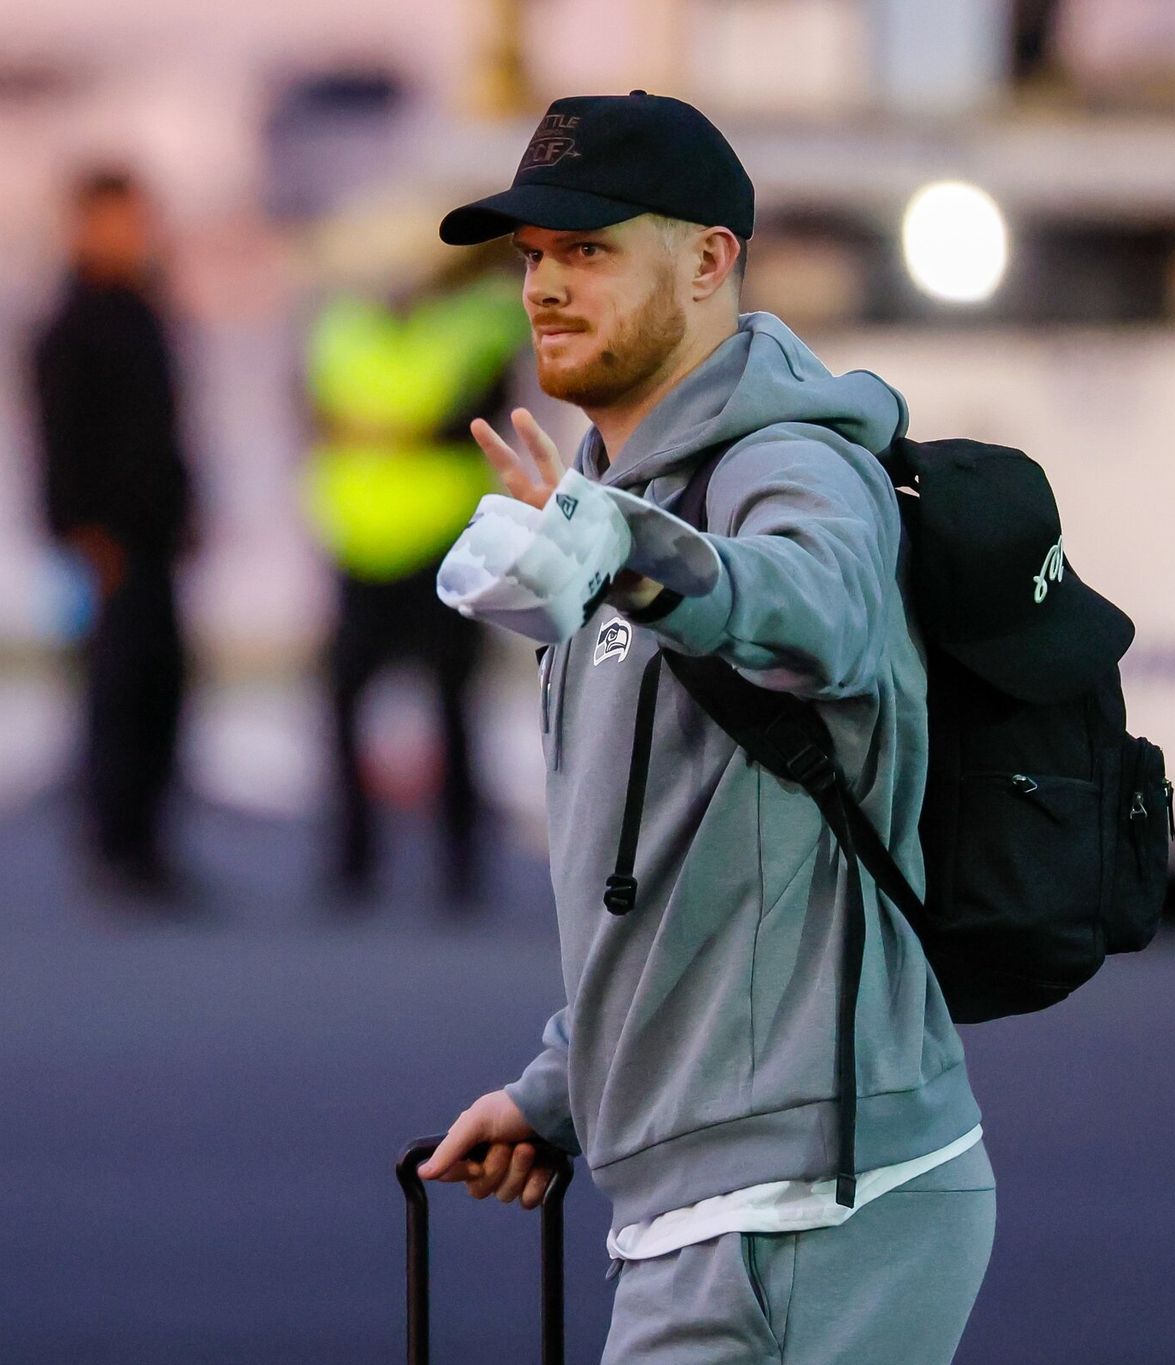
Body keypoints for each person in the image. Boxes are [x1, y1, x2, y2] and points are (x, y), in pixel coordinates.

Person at [416, 94, 994, 1362]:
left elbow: (819, 609)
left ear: (708, 259)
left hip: (805, 1206)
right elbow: (676, 863)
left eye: (588, 249)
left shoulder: (787, 463)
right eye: (531, 258)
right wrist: (560, 1094)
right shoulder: (617, 508)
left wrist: (628, 551)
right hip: (718, 1201)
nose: (543, 288)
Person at [301, 224, 531, 903]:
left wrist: (377, 432)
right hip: (372, 541)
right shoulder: (355, 329)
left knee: (445, 707)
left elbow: (480, 423)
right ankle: (373, 859)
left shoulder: (458, 330)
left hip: (433, 543)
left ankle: (434, 862)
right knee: (394, 704)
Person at [29, 168, 197, 902]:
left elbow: (168, 434)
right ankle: (113, 850)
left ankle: (148, 848)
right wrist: (80, 533)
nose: (134, 234)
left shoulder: (145, 311)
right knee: (111, 695)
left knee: (163, 692)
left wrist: (190, 512)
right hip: (103, 548)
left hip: (156, 538)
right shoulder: (71, 324)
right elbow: (56, 442)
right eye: (119, 220)